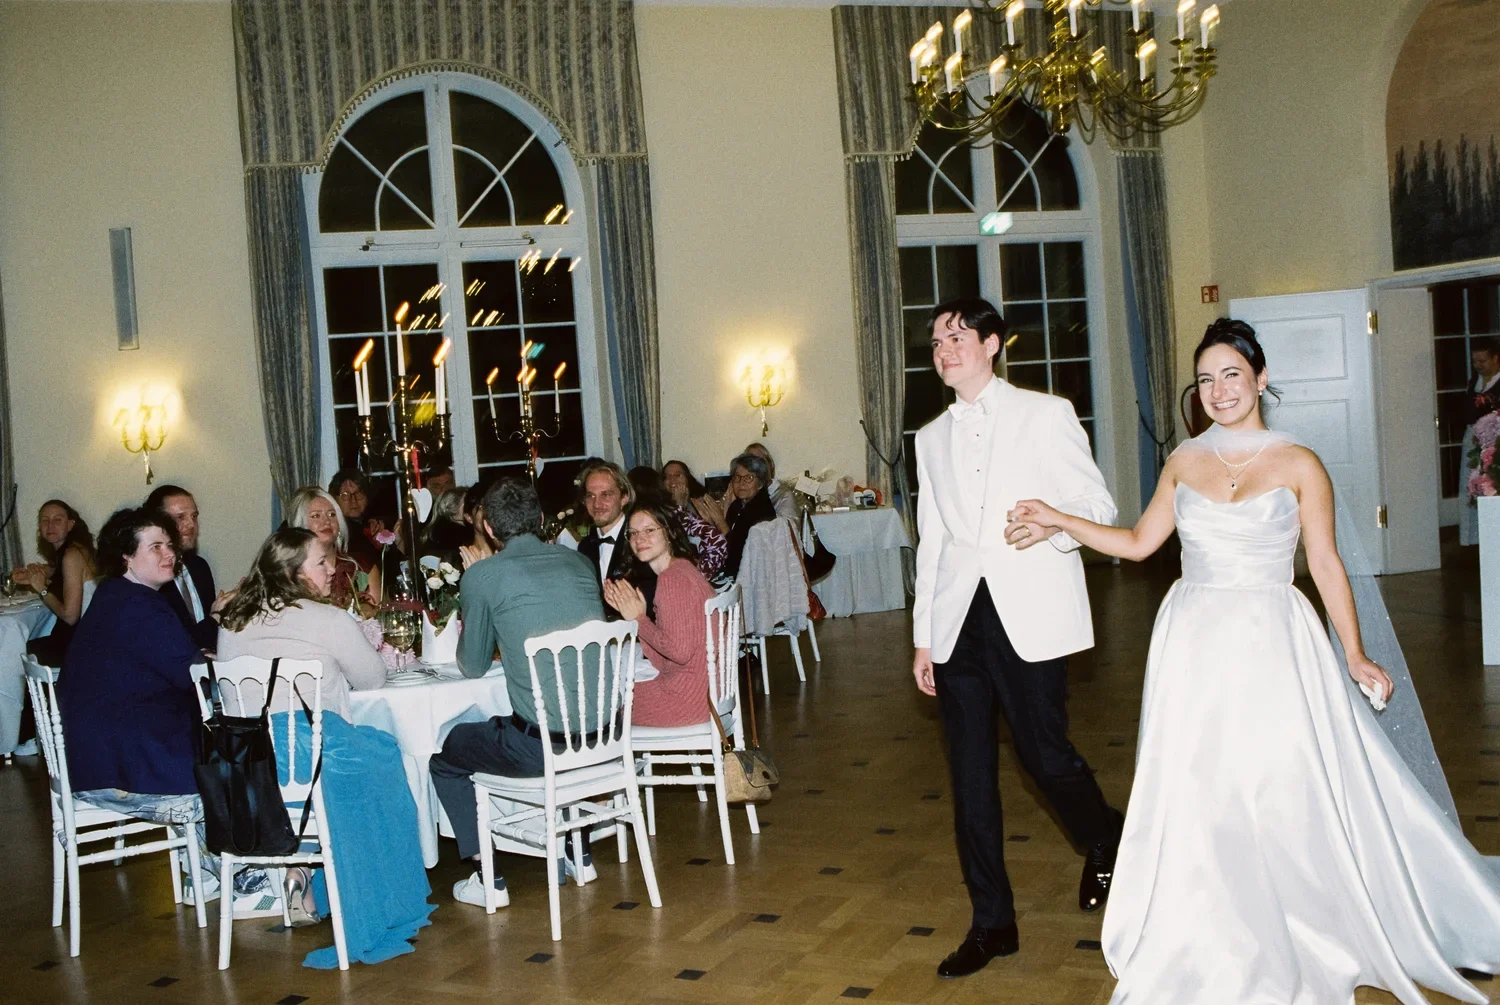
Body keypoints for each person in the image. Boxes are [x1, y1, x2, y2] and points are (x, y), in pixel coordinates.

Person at [1010, 319, 1500, 1005]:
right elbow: (1138, 542)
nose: (1217, 390)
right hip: (1193, 639)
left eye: (1231, 374)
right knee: (1205, 779)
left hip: (1274, 634)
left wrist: (1354, 651)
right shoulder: (1183, 461)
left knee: (1279, 778)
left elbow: (1324, 563)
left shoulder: (1300, 463)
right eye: (1205, 379)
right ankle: (1215, 921)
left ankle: (1311, 911)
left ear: (1261, 378)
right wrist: (1061, 519)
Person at [909, 297, 1122, 979]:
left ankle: (1109, 838)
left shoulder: (1046, 413)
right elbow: (932, 542)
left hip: (1026, 610)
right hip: (956, 622)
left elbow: (1099, 507)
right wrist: (923, 636)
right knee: (969, 779)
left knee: (1045, 755)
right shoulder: (928, 438)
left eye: (958, 335)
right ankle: (992, 922)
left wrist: (1054, 520)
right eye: (937, 340)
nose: (945, 348)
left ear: (992, 343)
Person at [53, 508, 251, 904]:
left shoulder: (115, 596)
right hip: (120, 770)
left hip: (91, 757)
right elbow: (192, 674)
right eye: (156, 546)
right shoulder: (140, 605)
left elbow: (173, 663)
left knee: (214, 743)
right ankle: (242, 879)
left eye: (170, 546)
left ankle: (210, 872)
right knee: (238, 754)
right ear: (127, 556)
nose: (169, 555)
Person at [428, 478, 606, 908]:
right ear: (542, 520)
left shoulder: (484, 575)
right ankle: (576, 851)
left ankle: (486, 875)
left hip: (539, 749)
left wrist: (474, 587)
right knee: (518, 719)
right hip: (601, 735)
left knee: (445, 753)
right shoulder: (578, 563)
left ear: (488, 528)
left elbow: (471, 665)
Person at [215, 528, 387, 719]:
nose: (332, 570)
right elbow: (373, 679)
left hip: (248, 744)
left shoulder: (232, 620)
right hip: (316, 743)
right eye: (322, 563)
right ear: (292, 573)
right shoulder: (330, 618)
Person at [603, 501, 716, 727]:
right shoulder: (684, 568)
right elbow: (669, 661)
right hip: (705, 693)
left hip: (686, 700)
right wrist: (640, 621)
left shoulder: (672, 579)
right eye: (633, 533)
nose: (639, 538)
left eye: (649, 530)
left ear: (670, 533)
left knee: (602, 703)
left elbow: (679, 652)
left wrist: (639, 620)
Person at [14, 499, 97, 667]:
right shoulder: (71, 552)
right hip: (79, 638)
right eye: (44, 520)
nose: (50, 525)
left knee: (15, 651)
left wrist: (42, 589)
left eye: (57, 520)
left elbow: (70, 616)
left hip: (78, 644)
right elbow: (53, 570)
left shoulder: (72, 556)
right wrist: (30, 576)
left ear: (70, 525)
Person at [574, 460, 656, 618]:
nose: (597, 504)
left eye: (606, 495)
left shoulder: (640, 539)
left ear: (624, 498)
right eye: (590, 496)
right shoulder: (585, 546)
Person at [144, 484, 220, 651]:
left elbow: (209, 635)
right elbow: (174, 643)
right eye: (180, 517)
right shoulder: (151, 576)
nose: (191, 524)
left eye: (194, 516)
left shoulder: (199, 567)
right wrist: (216, 616)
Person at [288, 486, 379, 612]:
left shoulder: (362, 567)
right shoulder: (290, 573)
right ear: (300, 524)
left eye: (332, 514)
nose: (326, 521)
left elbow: (375, 623)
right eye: (316, 516)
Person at [638, 464, 728, 582]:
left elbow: (718, 540)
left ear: (688, 478)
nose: (672, 480)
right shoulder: (659, 509)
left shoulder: (702, 502)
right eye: (667, 477)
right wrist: (679, 507)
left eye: (677, 475)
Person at [1460, 338, 1500, 546]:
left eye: (1483, 360)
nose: (1478, 365)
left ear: (1496, 358)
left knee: (1491, 484)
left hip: (1496, 440)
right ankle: (1471, 539)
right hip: (1473, 438)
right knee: (1471, 484)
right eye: (1475, 361)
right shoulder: (1473, 381)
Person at [722, 452, 778, 580]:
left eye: (749, 478)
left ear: (760, 483)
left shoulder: (762, 511)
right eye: (737, 477)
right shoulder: (736, 506)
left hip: (754, 578)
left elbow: (738, 554)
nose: (741, 483)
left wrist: (720, 523)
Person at [328, 469, 384, 573]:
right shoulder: (338, 532)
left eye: (358, 493)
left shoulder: (373, 525)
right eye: (345, 495)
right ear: (334, 500)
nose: (353, 500)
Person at [742, 442, 798, 523]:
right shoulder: (742, 496)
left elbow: (789, 528)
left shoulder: (784, 496)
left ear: (770, 465)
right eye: (751, 463)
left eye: (761, 462)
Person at [420, 487, 473, 570]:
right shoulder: (458, 539)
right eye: (468, 504)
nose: (473, 508)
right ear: (451, 507)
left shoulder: (433, 534)